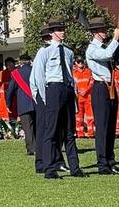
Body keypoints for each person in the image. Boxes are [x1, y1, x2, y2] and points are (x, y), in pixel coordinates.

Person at [30, 17, 86, 179]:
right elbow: (39, 76)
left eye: (63, 29)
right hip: (53, 89)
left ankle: (75, 168)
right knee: (51, 131)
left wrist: (73, 98)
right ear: (53, 33)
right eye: (60, 29)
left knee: (69, 131)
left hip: (66, 89)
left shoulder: (68, 52)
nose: (63, 32)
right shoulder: (45, 52)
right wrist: (44, 97)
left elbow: (71, 75)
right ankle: (49, 168)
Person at [85, 17, 119, 175]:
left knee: (110, 127)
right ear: (95, 33)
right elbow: (107, 54)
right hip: (100, 88)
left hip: (109, 87)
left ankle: (111, 161)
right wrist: (115, 38)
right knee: (102, 128)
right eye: (102, 30)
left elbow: (115, 55)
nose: (105, 32)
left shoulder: (102, 46)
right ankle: (102, 163)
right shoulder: (92, 49)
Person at [6, 54, 36, 155]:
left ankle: (31, 149)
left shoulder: (16, 73)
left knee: (27, 128)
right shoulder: (35, 70)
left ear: (21, 62)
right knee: (37, 126)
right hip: (36, 103)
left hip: (24, 104)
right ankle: (40, 147)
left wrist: (8, 104)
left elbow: (10, 91)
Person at [73, 57, 94, 138]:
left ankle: (91, 133)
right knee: (79, 117)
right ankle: (80, 133)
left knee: (90, 116)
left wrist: (86, 90)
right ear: (76, 63)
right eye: (78, 62)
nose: (80, 63)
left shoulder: (88, 72)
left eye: (81, 62)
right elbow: (73, 84)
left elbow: (92, 82)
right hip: (78, 97)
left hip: (88, 96)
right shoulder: (73, 73)